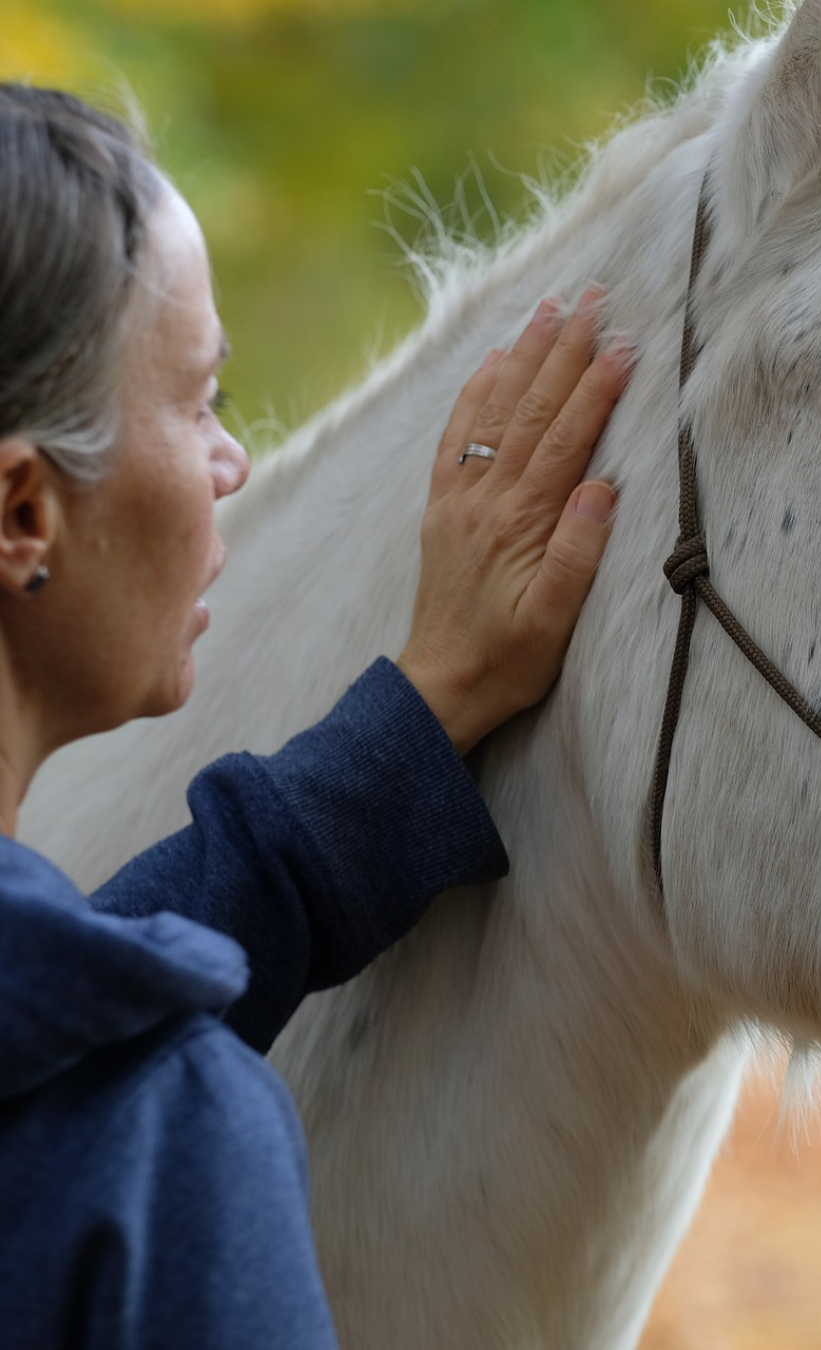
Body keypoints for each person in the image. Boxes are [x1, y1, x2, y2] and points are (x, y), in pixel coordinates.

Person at [0, 85, 631, 1346]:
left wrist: (418, 716)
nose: (230, 464)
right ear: (23, 514)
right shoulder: (167, 1152)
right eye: (198, 401)